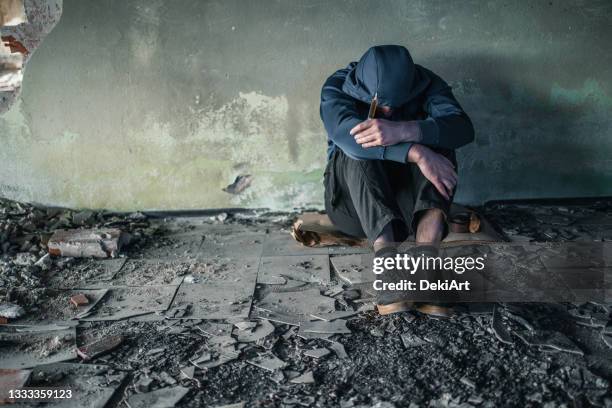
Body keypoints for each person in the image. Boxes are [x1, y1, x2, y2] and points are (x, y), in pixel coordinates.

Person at [320, 45, 474, 315]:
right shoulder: (337, 86)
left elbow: (462, 128)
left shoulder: (426, 82)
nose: (389, 111)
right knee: (355, 149)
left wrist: (406, 129)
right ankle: (387, 264)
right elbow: (348, 138)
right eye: (382, 104)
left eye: (396, 104)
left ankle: (428, 258)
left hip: (406, 209)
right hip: (352, 209)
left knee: (441, 145)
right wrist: (416, 152)